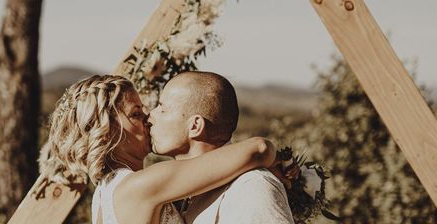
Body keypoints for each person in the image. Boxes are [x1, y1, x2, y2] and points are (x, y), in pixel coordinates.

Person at [41, 74, 276, 224]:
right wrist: (272, 159)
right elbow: (259, 148)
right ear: (107, 131)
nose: (148, 118)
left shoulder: (105, 192)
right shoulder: (140, 186)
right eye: (135, 114)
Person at [148, 71, 295, 223]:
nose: (150, 116)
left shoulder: (251, 188)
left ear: (195, 126)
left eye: (162, 109)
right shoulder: (182, 189)